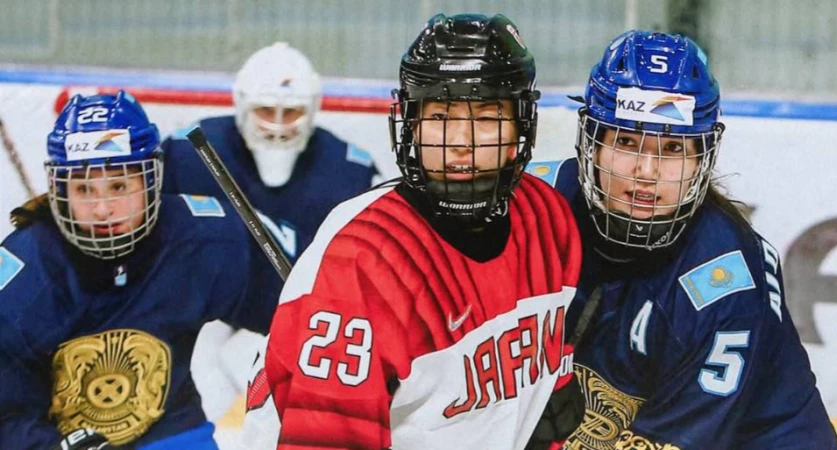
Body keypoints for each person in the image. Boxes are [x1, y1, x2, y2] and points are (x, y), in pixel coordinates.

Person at [241, 13, 584, 450]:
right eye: (440, 115)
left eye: (486, 116)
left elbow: (542, 394)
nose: (461, 141)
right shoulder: (363, 260)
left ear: (522, 124)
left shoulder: (547, 219)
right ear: (412, 126)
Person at [529, 31, 837, 449]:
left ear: (701, 160)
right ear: (593, 143)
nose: (646, 171)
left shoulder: (724, 282)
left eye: (673, 148)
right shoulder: (533, 205)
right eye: (626, 141)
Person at [0, 91, 281, 449]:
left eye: (119, 186)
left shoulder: (202, 237)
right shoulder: (24, 275)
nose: (103, 209)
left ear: (151, 181)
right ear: (60, 191)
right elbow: (7, 414)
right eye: (84, 189)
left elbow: (297, 310)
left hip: (172, 433)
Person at [160, 42, 381, 420]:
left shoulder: (349, 172)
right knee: (195, 369)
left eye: (290, 112)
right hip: (208, 307)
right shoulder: (188, 155)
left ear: (312, 110)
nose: (277, 126)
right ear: (241, 104)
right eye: (265, 111)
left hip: (299, 316)